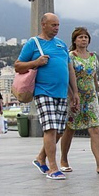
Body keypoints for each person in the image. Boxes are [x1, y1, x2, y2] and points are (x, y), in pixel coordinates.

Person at [15, 12, 78, 180]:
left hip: (61, 93)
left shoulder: (62, 45)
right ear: (43, 25)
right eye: (53, 25)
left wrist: (74, 92)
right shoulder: (33, 43)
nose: (56, 28)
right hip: (44, 92)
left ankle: (40, 158)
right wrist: (36, 62)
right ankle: (53, 167)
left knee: (59, 131)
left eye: (58, 25)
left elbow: (69, 69)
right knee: (50, 129)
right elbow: (18, 66)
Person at [59, 27, 99, 174]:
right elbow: (66, 77)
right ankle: (64, 159)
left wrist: (98, 90)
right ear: (74, 40)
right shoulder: (70, 56)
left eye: (86, 37)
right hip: (74, 96)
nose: (83, 39)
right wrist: (72, 95)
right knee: (70, 128)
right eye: (80, 37)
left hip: (90, 97)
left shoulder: (93, 57)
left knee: (95, 128)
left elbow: (94, 75)